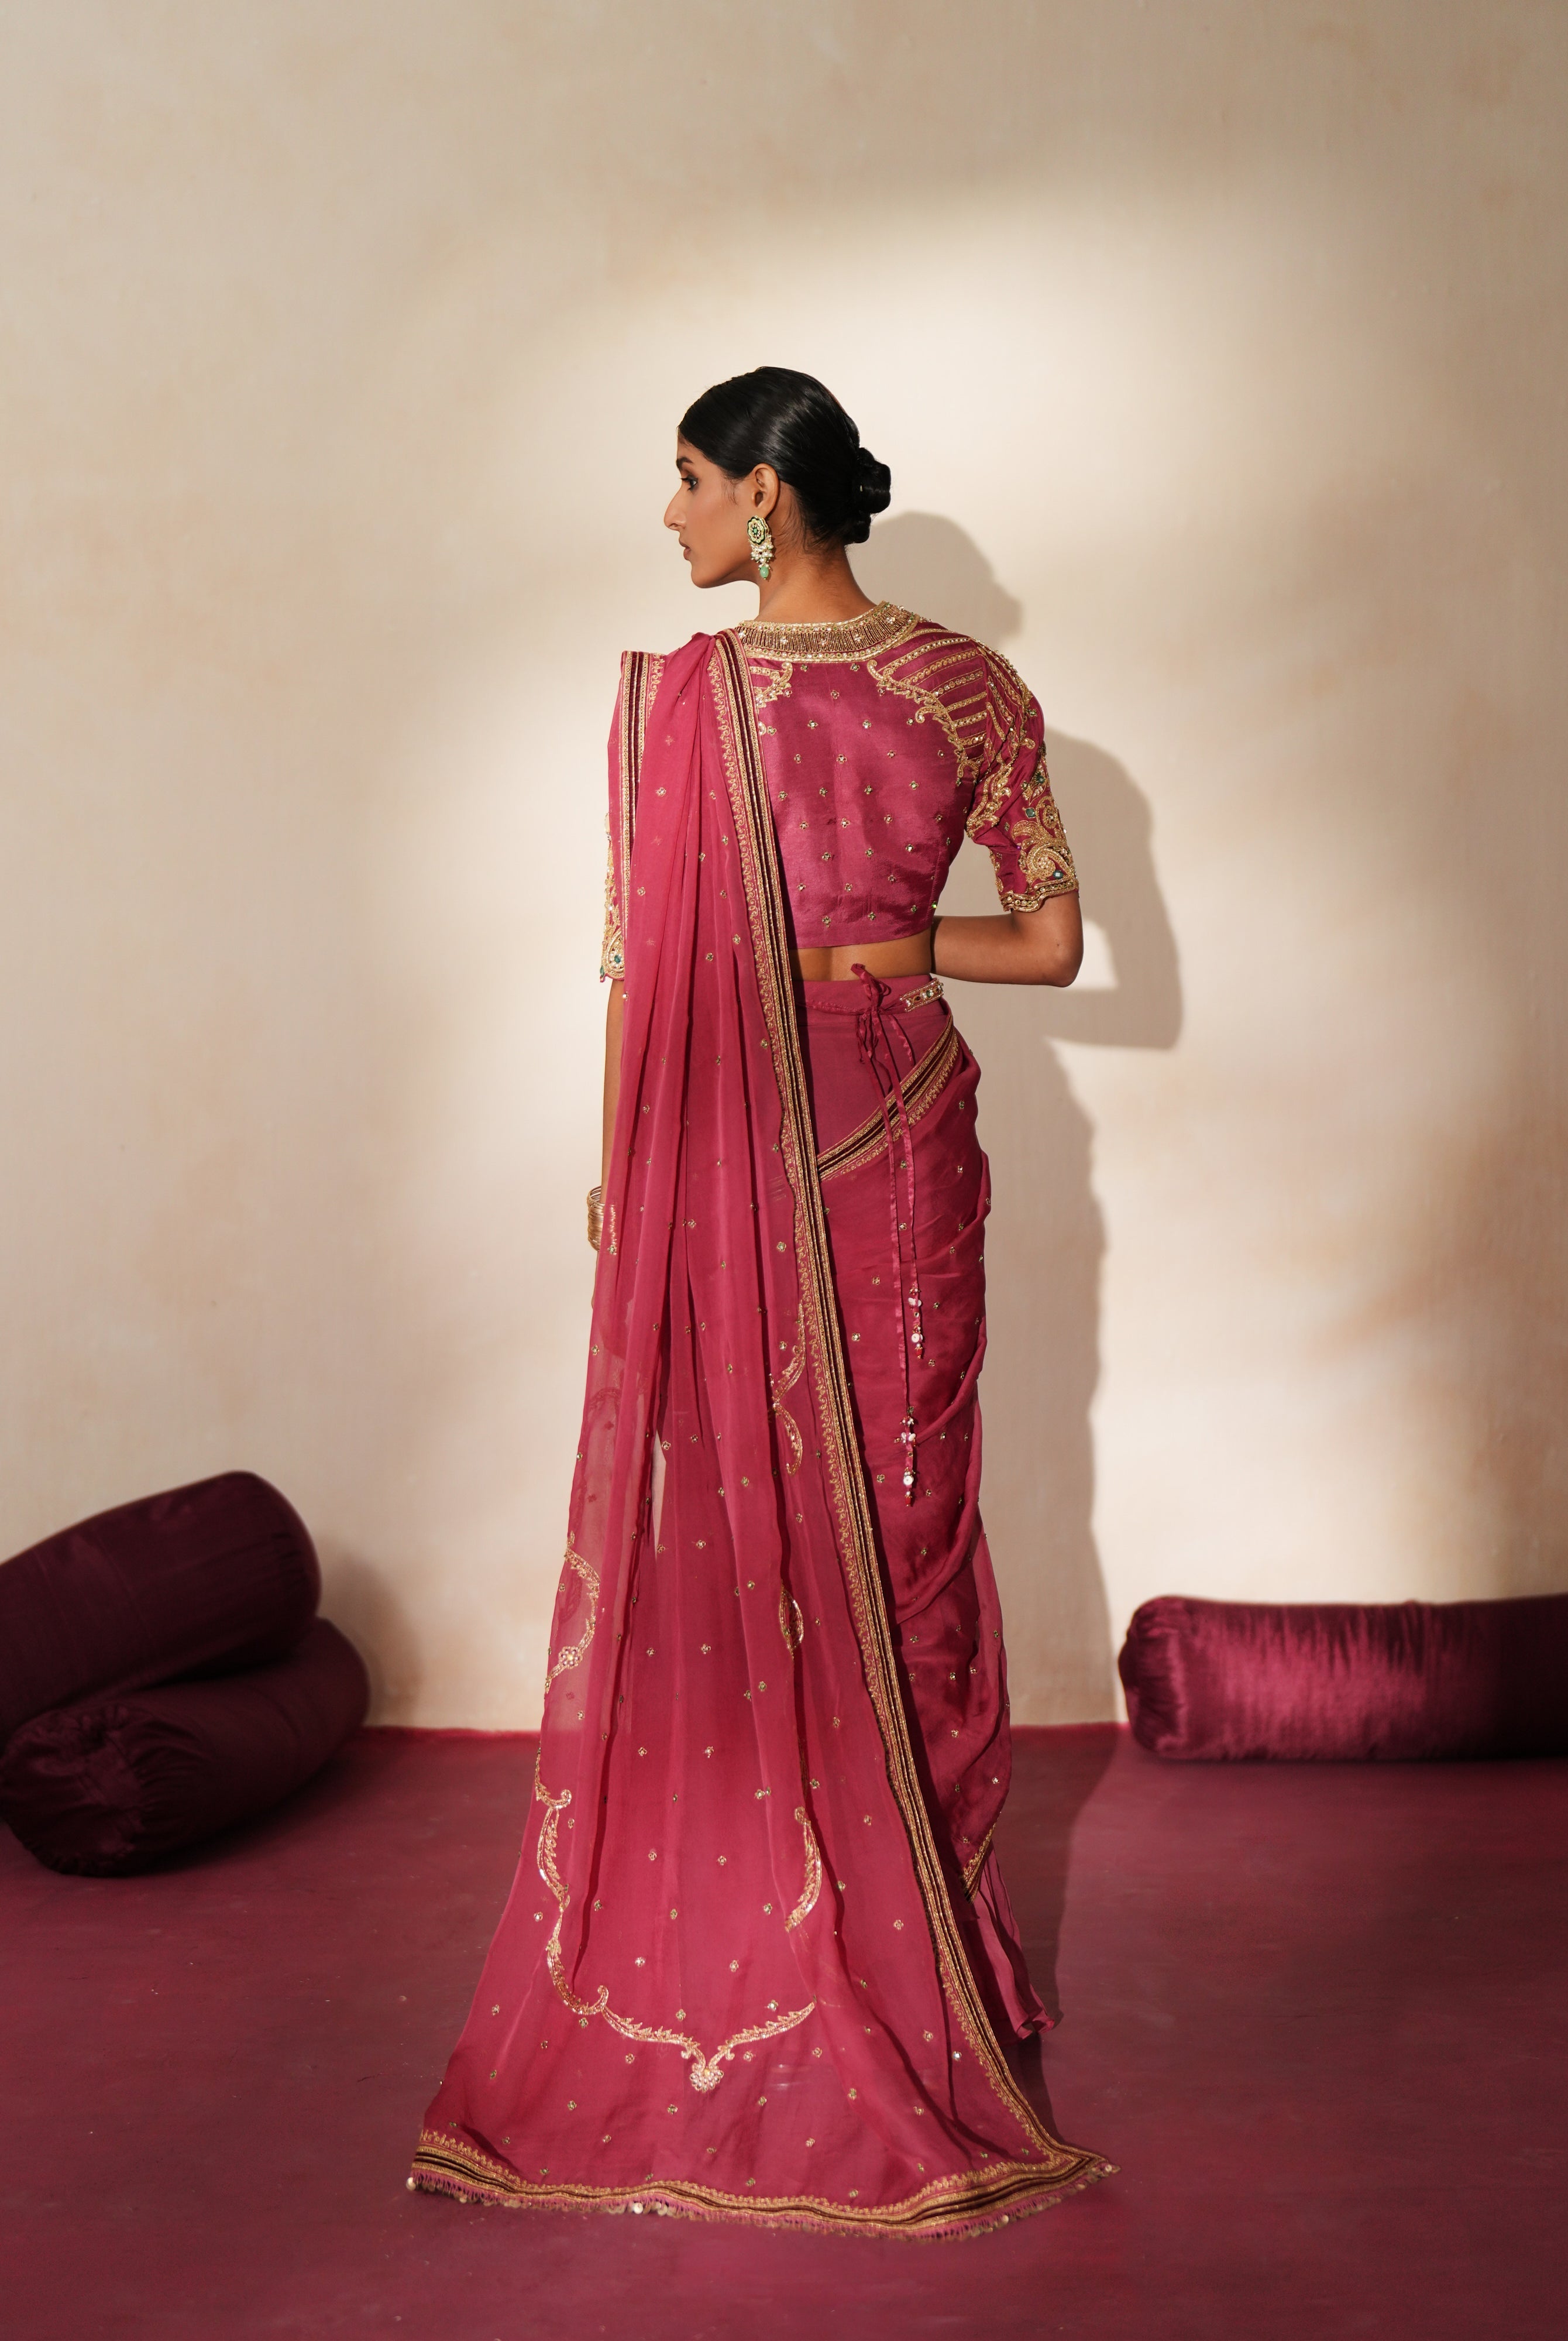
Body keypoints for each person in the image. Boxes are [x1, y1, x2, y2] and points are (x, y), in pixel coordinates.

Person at [411, 368, 1114, 2236]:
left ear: (768, 502)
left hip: (892, 1170)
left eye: (689, 481)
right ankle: (805, 1946)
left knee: (903, 1542)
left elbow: (1042, 937)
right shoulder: (684, 700)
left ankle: (933, 1969)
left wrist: (903, 942)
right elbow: (651, 970)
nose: (671, 518)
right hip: (730, 1163)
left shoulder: (964, 688)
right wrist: (627, 1165)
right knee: (744, 1554)